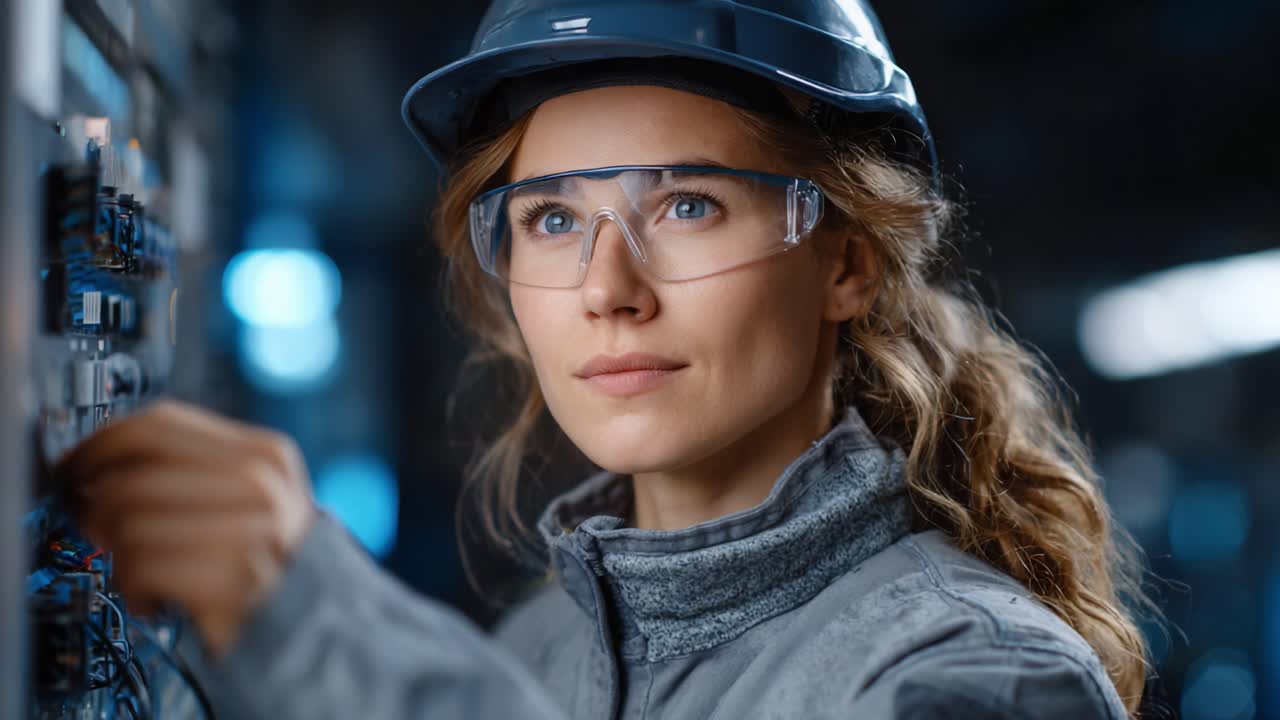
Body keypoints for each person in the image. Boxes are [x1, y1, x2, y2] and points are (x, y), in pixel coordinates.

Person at [61, 1, 1153, 718]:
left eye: (688, 205)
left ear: (847, 263)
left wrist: (321, 641)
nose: (607, 290)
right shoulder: (539, 642)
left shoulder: (975, 677)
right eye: (551, 220)